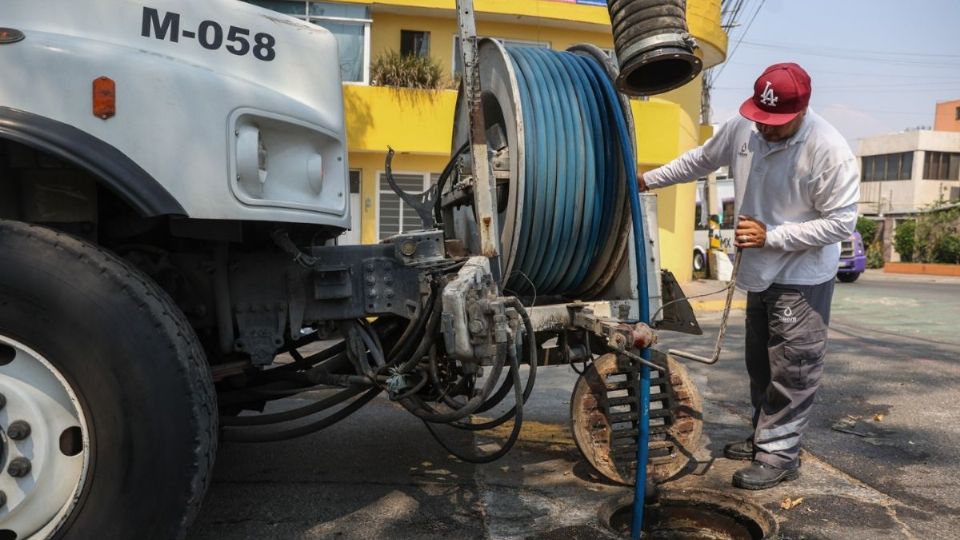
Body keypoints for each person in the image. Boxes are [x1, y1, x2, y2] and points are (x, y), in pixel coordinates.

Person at [639, 63, 860, 490]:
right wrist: (648, 180)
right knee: (761, 362)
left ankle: (780, 454)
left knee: (793, 367)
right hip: (760, 271)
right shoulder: (746, 126)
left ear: (802, 110)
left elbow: (840, 224)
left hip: (802, 274)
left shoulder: (829, 151)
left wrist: (772, 235)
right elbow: (701, 159)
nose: (765, 129)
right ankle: (765, 435)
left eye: (776, 124)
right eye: (761, 118)